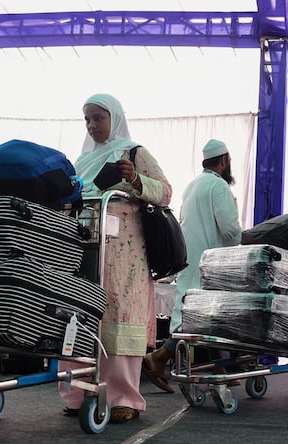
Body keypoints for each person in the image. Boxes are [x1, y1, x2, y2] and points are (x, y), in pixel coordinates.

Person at [59, 93, 172, 424]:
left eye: (98, 118)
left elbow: (165, 192)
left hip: (125, 253)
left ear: (115, 118)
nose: (92, 125)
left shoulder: (134, 152)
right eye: (87, 119)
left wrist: (135, 178)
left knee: (119, 314)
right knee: (79, 312)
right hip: (83, 243)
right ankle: (76, 391)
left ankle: (124, 397)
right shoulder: (80, 162)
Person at [142, 139, 243, 392]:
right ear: (224, 161)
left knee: (196, 316)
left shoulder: (192, 185)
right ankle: (159, 358)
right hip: (211, 264)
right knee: (202, 319)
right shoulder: (218, 186)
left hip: (189, 259)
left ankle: (219, 367)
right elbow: (230, 230)